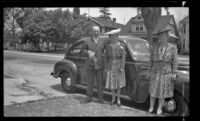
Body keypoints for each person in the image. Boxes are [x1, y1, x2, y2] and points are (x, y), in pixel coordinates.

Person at [148, 27, 178, 115]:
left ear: (166, 36)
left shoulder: (172, 47)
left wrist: (174, 73)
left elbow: (175, 61)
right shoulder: (154, 47)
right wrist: (149, 71)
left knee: (162, 91)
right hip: (155, 72)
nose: (161, 38)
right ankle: (151, 107)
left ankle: (159, 108)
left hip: (166, 73)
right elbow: (150, 61)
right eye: (159, 36)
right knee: (153, 90)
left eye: (163, 36)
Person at [80, 26, 106, 104]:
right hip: (90, 64)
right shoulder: (87, 41)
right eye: (94, 31)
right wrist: (88, 52)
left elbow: (105, 52)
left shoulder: (103, 41)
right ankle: (89, 97)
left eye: (97, 31)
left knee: (100, 83)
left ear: (99, 32)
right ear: (92, 32)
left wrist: (103, 56)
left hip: (99, 65)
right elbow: (82, 51)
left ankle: (100, 99)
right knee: (90, 82)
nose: (96, 33)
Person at [104, 28, 126, 107]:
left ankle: (118, 99)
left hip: (119, 66)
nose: (113, 38)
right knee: (112, 83)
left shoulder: (122, 45)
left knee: (119, 83)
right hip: (111, 66)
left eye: (115, 36)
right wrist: (106, 67)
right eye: (112, 36)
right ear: (110, 37)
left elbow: (123, 57)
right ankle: (113, 98)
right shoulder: (108, 46)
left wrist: (122, 67)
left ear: (117, 36)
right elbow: (106, 57)